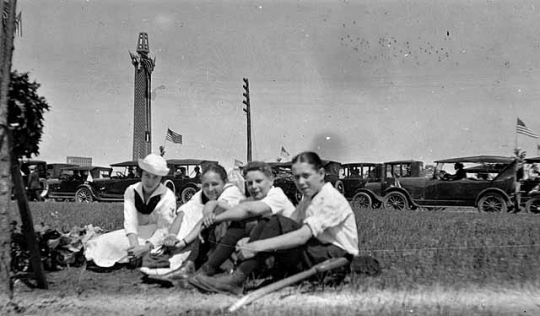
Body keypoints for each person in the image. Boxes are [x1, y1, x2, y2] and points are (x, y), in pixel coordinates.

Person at [190, 151, 359, 295]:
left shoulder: (328, 197)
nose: (300, 182)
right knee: (269, 221)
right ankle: (230, 276)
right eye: (297, 177)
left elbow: (301, 235)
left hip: (336, 260)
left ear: (321, 174)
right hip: (317, 252)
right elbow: (290, 224)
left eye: (306, 176)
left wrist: (256, 245)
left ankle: (235, 279)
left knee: (273, 220)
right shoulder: (309, 198)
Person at [147, 161, 297, 285]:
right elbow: (216, 204)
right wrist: (209, 214)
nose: (253, 186)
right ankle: (190, 268)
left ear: (271, 180)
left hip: (287, 253)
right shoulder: (252, 199)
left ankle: (204, 270)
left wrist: (215, 218)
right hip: (265, 251)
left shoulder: (276, 195)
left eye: (258, 181)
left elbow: (247, 210)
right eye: (249, 183)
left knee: (239, 220)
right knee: (227, 216)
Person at [140, 162, 245, 278]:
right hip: (204, 234)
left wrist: (183, 242)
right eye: (206, 185)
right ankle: (177, 262)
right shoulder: (201, 194)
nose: (210, 189)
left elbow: (210, 214)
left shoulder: (231, 191)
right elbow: (182, 213)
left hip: (233, 237)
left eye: (215, 184)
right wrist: (172, 235)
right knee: (191, 211)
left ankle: (189, 264)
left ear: (225, 182)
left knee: (215, 213)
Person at [84, 153, 177, 268]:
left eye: (155, 177)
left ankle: (143, 257)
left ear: (161, 179)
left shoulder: (168, 196)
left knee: (158, 249)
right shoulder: (131, 191)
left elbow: (164, 228)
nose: (150, 181)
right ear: (141, 173)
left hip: (157, 236)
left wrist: (146, 247)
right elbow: (130, 221)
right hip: (135, 234)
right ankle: (134, 257)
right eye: (147, 175)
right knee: (105, 241)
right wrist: (135, 246)